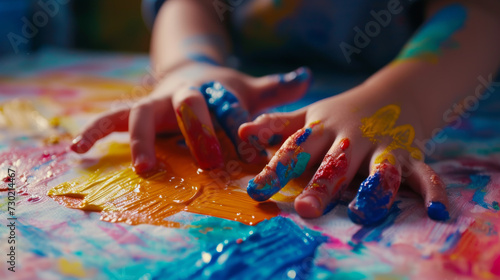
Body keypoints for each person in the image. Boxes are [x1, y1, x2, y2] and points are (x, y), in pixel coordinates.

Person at [70, 0, 500, 225]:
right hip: (255, 107)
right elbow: (190, 3)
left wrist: (401, 103)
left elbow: (478, 12)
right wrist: (188, 66)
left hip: (442, 91)